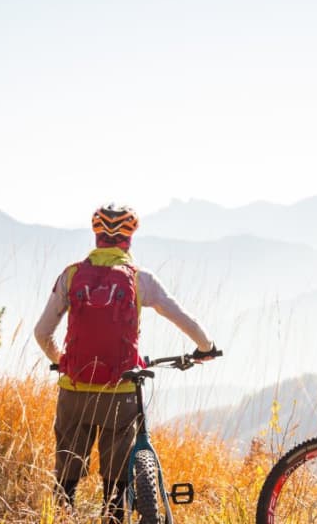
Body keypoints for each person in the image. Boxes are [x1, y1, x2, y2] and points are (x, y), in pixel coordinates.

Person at [34, 203, 217, 521]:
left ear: (96, 236)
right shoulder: (139, 280)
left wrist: (63, 362)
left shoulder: (71, 275)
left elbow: (41, 333)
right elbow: (183, 317)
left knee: (65, 481)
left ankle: (63, 516)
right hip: (120, 394)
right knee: (116, 487)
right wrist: (206, 347)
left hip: (73, 391)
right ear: (129, 240)